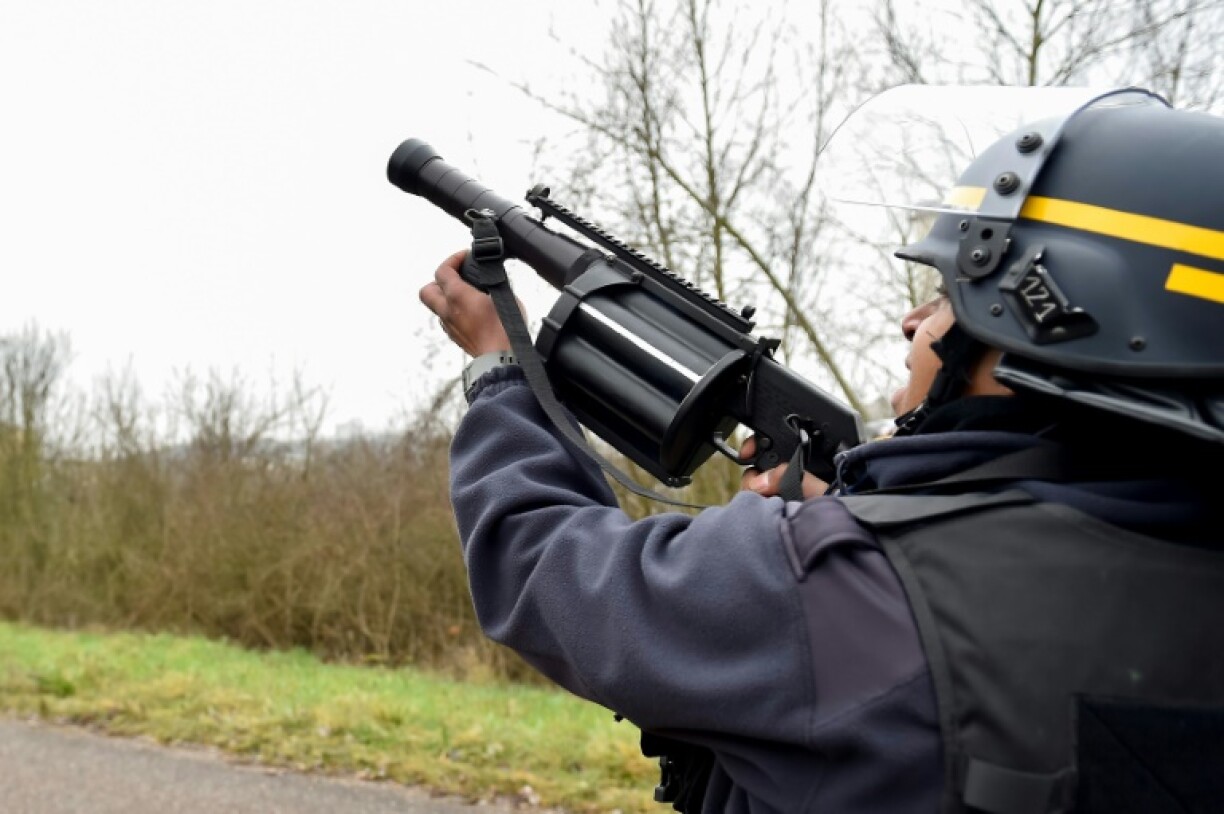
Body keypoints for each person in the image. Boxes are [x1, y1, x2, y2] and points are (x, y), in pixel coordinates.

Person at [418, 89, 1224, 813]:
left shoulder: (846, 586)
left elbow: (544, 570)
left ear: (1038, 318)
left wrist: (501, 367)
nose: (913, 322)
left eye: (948, 297)